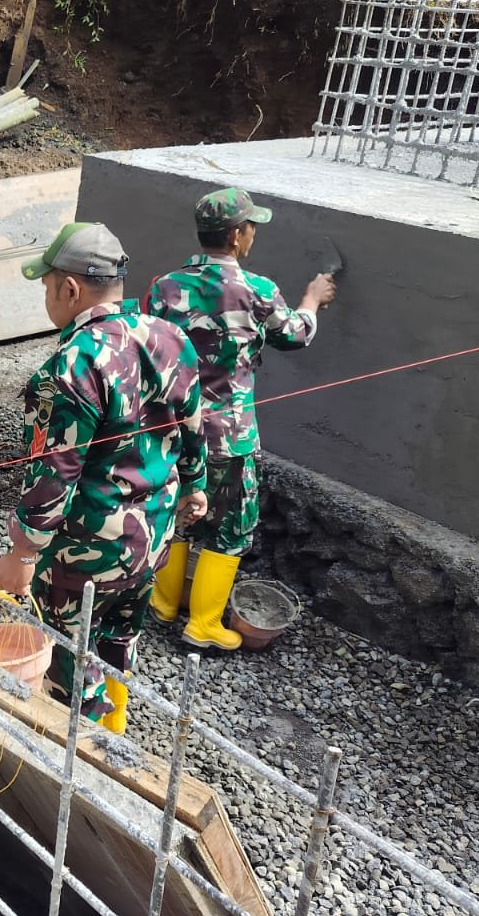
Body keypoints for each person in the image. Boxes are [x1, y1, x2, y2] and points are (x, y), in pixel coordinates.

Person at [0, 222, 208, 734]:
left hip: (86, 549)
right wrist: (196, 484)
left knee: (69, 657)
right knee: (119, 639)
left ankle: (85, 756)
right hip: (154, 533)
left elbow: (54, 472)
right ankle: (116, 735)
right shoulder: (169, 336)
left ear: (69, 288)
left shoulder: (73, 364)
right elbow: (194, 420)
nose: (49, 297)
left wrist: (23, 553)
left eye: (48, 287)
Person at [144, 187, 337, 649]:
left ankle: (165, 602)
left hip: (170, 430)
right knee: (230, 527)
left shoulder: (164, 287)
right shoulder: (258, 290)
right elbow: (294, 335)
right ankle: (204, 623)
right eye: (251, 227)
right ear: (235, 235)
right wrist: (312, 300)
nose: (253, 235)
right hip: (228, 438)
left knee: (174, 512)